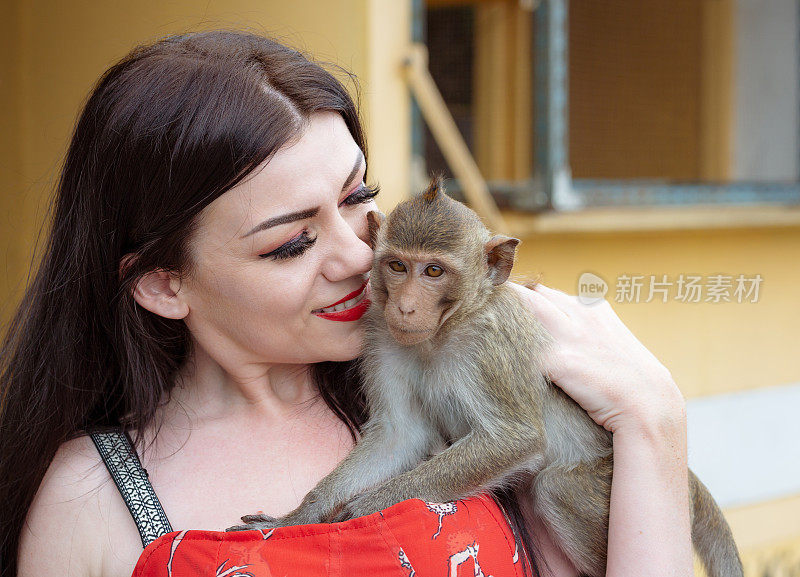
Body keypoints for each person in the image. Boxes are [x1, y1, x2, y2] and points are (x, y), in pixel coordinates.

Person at [0, 31, 691, 577]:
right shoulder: (92, 500)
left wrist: (654, 422)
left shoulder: (442, 384)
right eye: (294, 242)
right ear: (163, 282)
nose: (363, 260)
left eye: (359, 199)